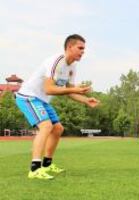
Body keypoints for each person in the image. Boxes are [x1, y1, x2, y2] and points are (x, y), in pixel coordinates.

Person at [16, 34, 100, 180]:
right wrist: (74, 90)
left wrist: (86, 100)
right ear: (69, 47)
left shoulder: (72, 67)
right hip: (28, 96)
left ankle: (47, 165)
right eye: (80, 48)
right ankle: (35, 169)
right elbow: (49, 89)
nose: (83, 52)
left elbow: (70, 92)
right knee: (46, 126)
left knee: (58, 128)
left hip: (42, 100)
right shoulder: (56, 62)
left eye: (84, 49)